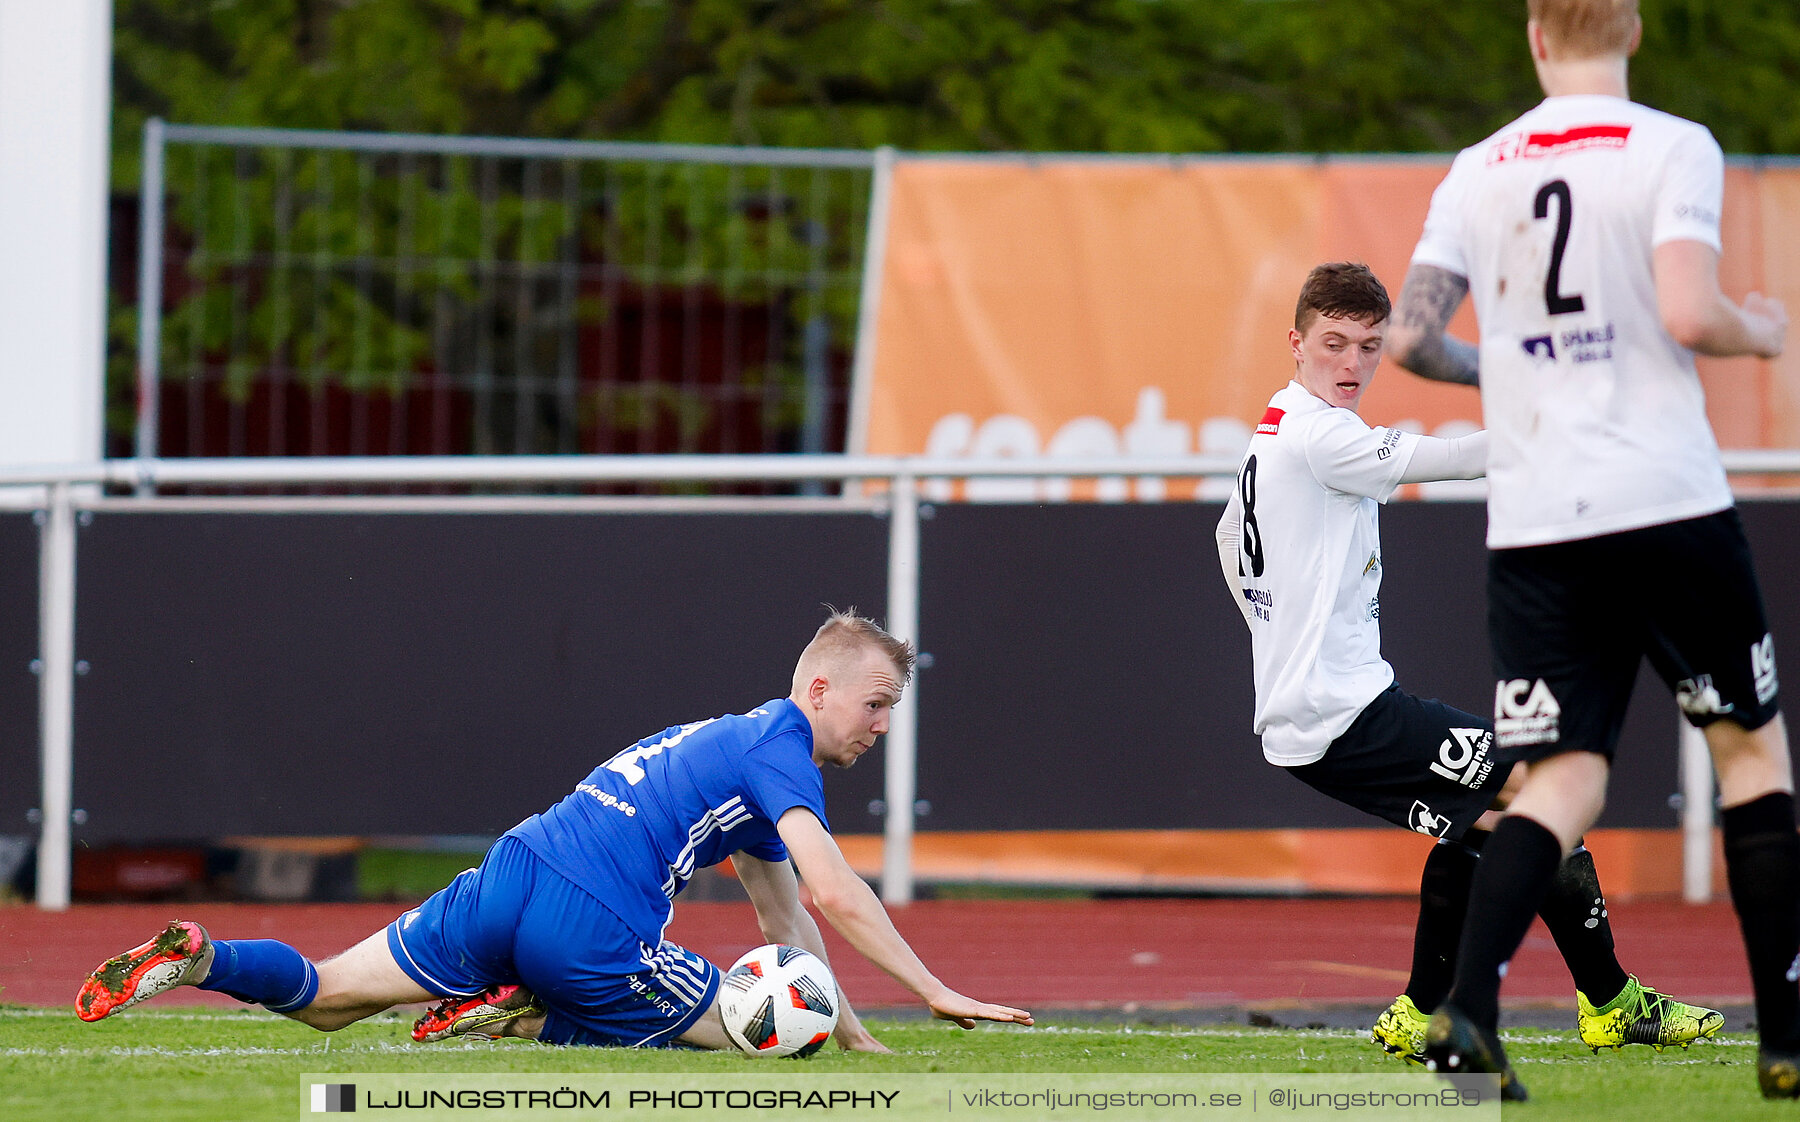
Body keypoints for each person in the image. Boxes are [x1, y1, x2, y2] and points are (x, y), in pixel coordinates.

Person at [1386, 0, 1795, 1101]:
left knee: (1559, 776)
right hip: (1664, 499)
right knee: (1749, 757)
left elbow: (1414, 339)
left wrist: (1513, 371)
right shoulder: (1672, 146)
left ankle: (1467, 1014)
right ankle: (1787, 1037)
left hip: (1538, 522)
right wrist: (1758, 328)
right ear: (1634, 31)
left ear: (1533, 37)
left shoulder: (1479, 166)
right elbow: (1689, 309)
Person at [75, 611, 1033, 1051]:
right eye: (876, 703)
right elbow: (834, 891)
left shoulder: (733, 750)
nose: (881, 725)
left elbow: (790, 925)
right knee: (758, 1029)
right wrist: (937, 991)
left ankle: (204, 958)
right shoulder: (779, 750)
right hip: (591, 922)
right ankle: (524, 1010)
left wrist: (857, 1029)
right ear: (817, 689)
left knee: (328, 997)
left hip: (514, 868)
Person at [1216, 261, 1721, 1081]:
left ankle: (1427, 1010)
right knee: (1539, 792)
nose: (1351, 363)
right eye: (1333, 343)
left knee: (1493, 816)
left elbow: (1228, 543)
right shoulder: (1321, 433)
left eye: (1369, 347)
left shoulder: (1274, 428)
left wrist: (1282, 636)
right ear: (1295, 343)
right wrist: (1559, 433)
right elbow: (1451, 460)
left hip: (1327, 709)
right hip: (1341, 714)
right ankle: (1609, 1003)